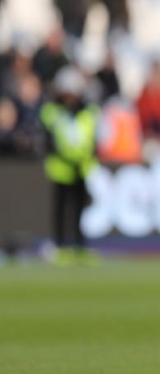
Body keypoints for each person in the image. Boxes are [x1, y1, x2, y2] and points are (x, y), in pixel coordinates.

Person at [40, 66, 100, 266]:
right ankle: (60, 246)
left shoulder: (88, 113)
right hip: (62, 169)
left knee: (80, 209)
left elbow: (92, 140)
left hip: (82, 168)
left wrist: (83, 159)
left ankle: (79, 245)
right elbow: (50, 141)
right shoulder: (52, 112)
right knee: (61, 209)